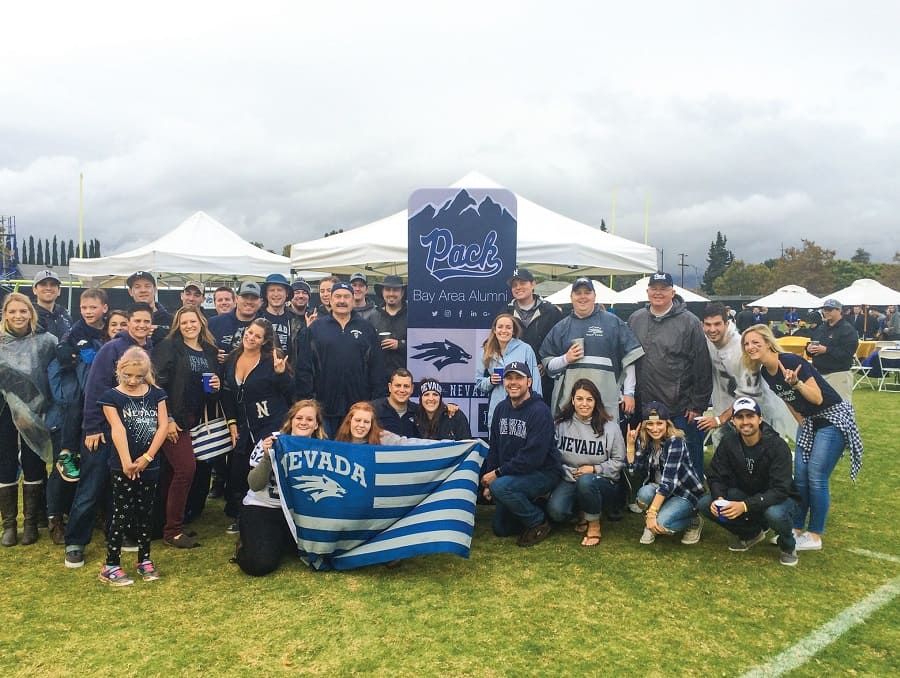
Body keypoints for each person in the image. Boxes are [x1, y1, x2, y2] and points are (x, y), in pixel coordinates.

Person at [742, 324, 863, 551]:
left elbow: (817, 399)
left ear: (768, 343)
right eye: (747, 344)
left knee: (816, 477)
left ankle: (815, 535)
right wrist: (803, 425)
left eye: (756, 342)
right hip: (809, 421)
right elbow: (789, 400)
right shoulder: (765, 372)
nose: (750, 347)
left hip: (832, 418)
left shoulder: (789, 361)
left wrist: (796, 383)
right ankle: (796, 529)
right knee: (800, 477)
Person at [64, 302, 155, 568]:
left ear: (151, 324)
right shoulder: (112, 349)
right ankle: (75, 542)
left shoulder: (149, 350)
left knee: (121, 487)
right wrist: (91, 427)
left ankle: (117, 533)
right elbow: (94, 389)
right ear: (128, 322)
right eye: (136, 321)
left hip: (133, 431)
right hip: (103, 430)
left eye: (146, 321)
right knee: (91, 485)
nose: (141, 325)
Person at [627, 271, 712, 482]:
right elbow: (627, 358)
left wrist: (697, 404)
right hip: (646, 405)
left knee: (688, 456)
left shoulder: (689, 322)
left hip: (680, 407)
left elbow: (702, 365)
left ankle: (693, 496)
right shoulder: (636, 319)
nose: (658, 293)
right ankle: (651, 490)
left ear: (672, 292)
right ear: (647, 292)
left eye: (663, 289)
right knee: (652, 454)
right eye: (654, 288)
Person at [697, 396, 801, 567]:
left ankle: (788, 545)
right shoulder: (729, 441)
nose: (745, 422)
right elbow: (716, 475)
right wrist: (719, 498)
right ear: (733, 421)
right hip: (747, 493)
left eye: (750, 416)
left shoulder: (777, 445)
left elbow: (780, 490)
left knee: (774, 513)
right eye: (740, 417)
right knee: (706, 504)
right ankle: (751, 533)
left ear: (760, 419)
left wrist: (744, 506)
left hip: (780, 499)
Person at [96, 347, 168, 585]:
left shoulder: (156, 394)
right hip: (122, 465)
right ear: (119, 370)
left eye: (139, 376)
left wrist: (147, 458)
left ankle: (144, 559)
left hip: (150, 463)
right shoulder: (111, 396)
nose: (133, 381)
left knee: (145, 513)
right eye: (128, 375)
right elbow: (117, 429)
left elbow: (162, 427)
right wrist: (127, 462)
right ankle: (111, 564)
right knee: (121, 513)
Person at [152, 306, 222, 548]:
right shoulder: (169, 347)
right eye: (184, 323)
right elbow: (157, 385)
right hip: (172, 421)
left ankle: (165, 523)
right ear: (177, 326)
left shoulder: (209, 352)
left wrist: (215, 386)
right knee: (185, 470)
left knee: (172, 473)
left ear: (201, 323)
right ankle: (173, 531)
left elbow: (210, 392)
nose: (189, 326)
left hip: (195, 421)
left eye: (193, 321)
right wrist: (167, 418)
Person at [46, 288, 110, 544]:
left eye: (92, 307)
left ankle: (98, 514)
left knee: (96, 469)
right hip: (75, 407)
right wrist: (65, 354)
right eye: (84, 308)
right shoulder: (76, 331)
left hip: (98, 411)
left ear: (104, 308)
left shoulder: (107, 333)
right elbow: (62, 349)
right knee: (65, 468)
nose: (87, 312)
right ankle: (55, 519)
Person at [235, 399, 326, 576]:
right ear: (291, 420)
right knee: (260, 564)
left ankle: (279, 541)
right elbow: (254, 484)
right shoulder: (272, 441)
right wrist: (268, 458)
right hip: (264, 507)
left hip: (297, 513)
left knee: (321, 554)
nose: (303, 422)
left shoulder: (321, 448)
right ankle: (247, 542)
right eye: (299, 417)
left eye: (309, 419)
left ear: (316, 424)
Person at [221, 318, 293, 534]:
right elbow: (228, 394)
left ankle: (276, 514)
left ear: (264, 341)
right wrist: (232, 422)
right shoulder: (232, 358)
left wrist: (281, 375)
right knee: (238, 469)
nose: (251, 338)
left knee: (266, 468)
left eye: (257, 336)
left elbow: (291, 393)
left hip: (270, 422)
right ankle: (239, 514)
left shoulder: (272, 359)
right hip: (244, 425)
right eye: (250, 332)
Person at [480, 362, 562, 547]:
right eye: (509, 378)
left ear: (529, 382)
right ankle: (538, 505)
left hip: (544, 472)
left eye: (519, 378)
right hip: (515, 474)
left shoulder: (540, 411)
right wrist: (490, 481)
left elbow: (532, 458)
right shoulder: (501, 408)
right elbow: (495, 448)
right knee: (500, 529)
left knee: (501, 487)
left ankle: (538, 520)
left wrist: (497, 475)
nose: (513, 382)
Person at [541, 277, 643, 420]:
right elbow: (548, 366)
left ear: (594, 296)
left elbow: (629, 359)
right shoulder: (560, 328)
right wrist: (566, 359)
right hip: (570, 406)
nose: (583, 297)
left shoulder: (612, 323)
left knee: (604, 440)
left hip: (605, 402)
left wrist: (629, 393)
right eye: (578, 293)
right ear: (571, 297)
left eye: (587, 292)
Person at [0, 293, 56, 547]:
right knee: (5, 463)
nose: (18, 316)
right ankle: (9, 525)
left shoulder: (45, 342)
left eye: (23, 311)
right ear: (5, 314)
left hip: (34, 410)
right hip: (3, 411)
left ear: (30, 314)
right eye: (12, 312)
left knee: (34, 461)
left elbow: (51, 375)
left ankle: (32, 523)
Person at [696, 302, 795, 446]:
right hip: (723, 409)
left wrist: (720, 419)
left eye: (717, 324)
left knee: (754, 455)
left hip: (753, 412)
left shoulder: (741, 348)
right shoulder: (708, 341)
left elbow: (749, 394)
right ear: (702, 325)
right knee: (724, 457)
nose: (712, 329)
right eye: (708, 324)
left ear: (727, 323)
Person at [297, 281, 387, 436]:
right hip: (324, 408)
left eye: (346, 297)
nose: (342, 301)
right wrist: (309, 401)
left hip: (357, 409)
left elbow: (377, 368)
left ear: (353, 300)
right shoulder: (316, 328)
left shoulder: (366, 329)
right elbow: (304, 368)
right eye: (337, 296)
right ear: (330, 300)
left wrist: (375, 402)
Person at [546, 379, 626, 547]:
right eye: (580, 398)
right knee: (556, 513)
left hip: (601, 482)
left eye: (589, 399)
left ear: (596, 402)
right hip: (569, 478)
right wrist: (569, 472)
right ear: (573, 400)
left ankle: (594, 524)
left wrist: (594, 469)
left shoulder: (610, 428)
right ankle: (582, 511)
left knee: (586, 481)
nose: (584, 404)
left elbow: (619, 461)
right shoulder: (560, 425)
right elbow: (552, 457)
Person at [625, 401, 705, 546]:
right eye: (650, 424)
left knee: (662, 525)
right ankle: (658, 516)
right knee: (643, 495)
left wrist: (651, 513)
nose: (654, 429)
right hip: (659, 490)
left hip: (683, 493)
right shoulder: (646, 440)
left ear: (667, 423)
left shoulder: (675, 441)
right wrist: (630, 446)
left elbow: (668, 484)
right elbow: (634, 472)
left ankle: (693, 520)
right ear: (645, 425)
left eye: (659, 423)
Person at [475, 313, 541, 430]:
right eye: (500, 327)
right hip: (497, 408)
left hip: (522, 407)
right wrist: (490, 381)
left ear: (514, 331)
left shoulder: (525, 349)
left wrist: (536, 405)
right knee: (497, 445)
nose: (504, 330)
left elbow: (535, 380)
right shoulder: (485, 351)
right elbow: (479, 384)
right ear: (494, 330)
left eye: (508, 327)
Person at [507, 268, 562, 406]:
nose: (518, 287)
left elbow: (560, 344)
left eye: (523, 283)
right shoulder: (505, 312)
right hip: (513, 381)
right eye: (514, 285)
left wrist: (546, 363)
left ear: (533, 284)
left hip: (545, 382)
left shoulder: (551, 312)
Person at [806, 298, 858, 402]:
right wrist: (808, 348)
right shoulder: (821, 328)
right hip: (819, 373)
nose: (826, 312)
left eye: (830, 309)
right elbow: (813, 344)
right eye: (824, 310)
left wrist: (826, 350)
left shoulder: (847, 329)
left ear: (839, 311)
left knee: (840, 406)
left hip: (839, 373)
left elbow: (847, 353)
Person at [209, 281, 262, 358]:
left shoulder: (266, 326)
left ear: (260, 301)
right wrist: (211, 355)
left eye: (254, 298)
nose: (249, 301)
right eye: (245, 297)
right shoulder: (213, 323)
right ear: (236, 299)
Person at [372, 275, 408, 373]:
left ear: (402, 292)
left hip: (404, 378)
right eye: (388, 290)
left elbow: (420, 344)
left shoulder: (412, 316)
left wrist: (400, 345)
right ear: (382, 292)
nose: (391, 293)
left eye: (395, 290)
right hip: (379, 377)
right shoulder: (373, 316)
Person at [372, 368, 420, 437]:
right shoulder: (373, 409)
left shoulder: (418, 411)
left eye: (406, 386)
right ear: (390, 387)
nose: (402, 390)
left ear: (412, 389)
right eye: (398, 385)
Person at [126, 271, 173, 342]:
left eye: (147, 286)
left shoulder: (171, 320)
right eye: (137, 287)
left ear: (155, 290)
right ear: (130, 292)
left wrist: (165, 336)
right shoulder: (124, 319)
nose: (143, 290)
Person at [32, 269, 73, 340]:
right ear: (34, 290)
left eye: (53, 284)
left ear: (59, 291)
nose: (48, 288)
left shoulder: (65, 315)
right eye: (43, 284)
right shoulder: (29, 316)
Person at [258, 273, 294, 353]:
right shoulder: (257, 318)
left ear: (286, 293)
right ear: (266, 294)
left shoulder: (295, 320)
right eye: (272, 290)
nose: (276, 294)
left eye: (280, 290)